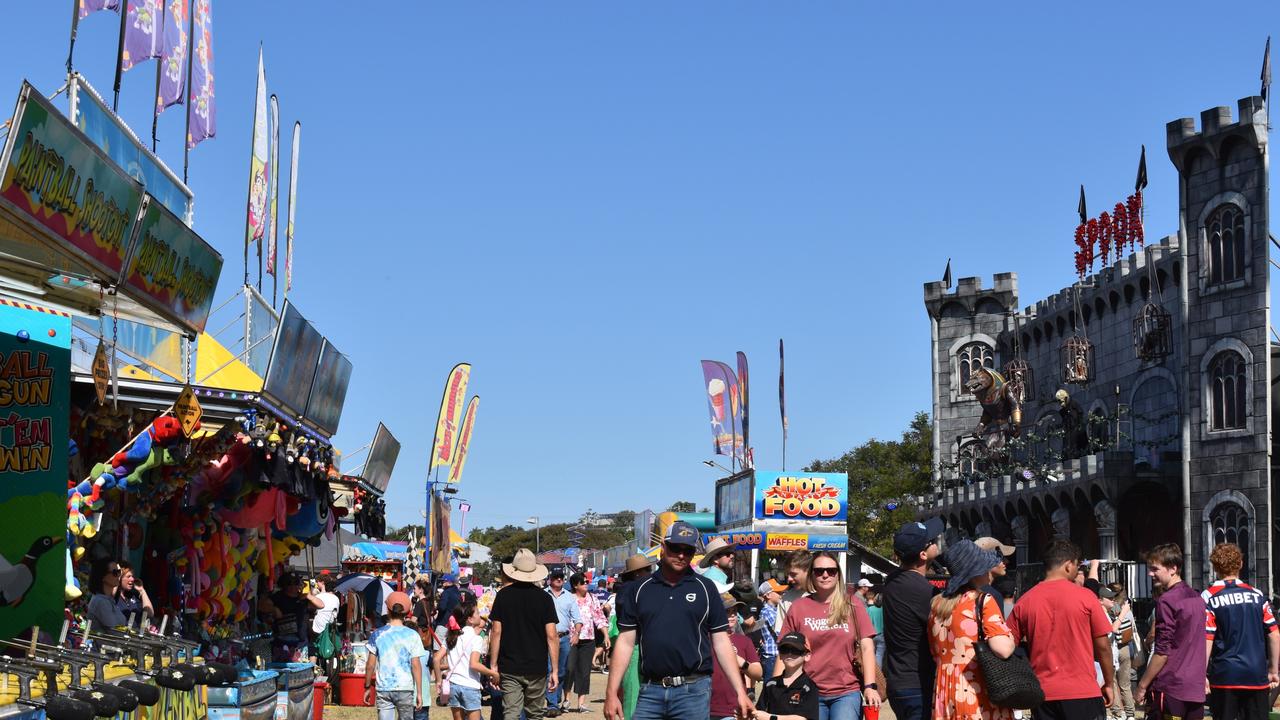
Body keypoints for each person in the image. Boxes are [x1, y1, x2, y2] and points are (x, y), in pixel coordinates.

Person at [605, 520, 753, 720]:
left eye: (688, 550)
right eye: (675, 548)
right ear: (663, 548)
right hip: (650, 690)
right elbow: (625, 642)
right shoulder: (639, 589)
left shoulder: (706, 589)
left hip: (693, 691)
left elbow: (721, 641)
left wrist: (740, 691)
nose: (681, 555)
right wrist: (611, 692)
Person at [1005, 539, 1114, 720]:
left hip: (1043, 694)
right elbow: (1103, 646)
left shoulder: (1025, 601)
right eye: (1077, 566)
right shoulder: (1086, 597)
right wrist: (1109, 683)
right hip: (1082, 691)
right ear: (1068, 565)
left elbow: (1007, 646)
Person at [779, 551, 880, 720]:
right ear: (811, 574)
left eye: (831, 571)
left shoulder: (853, 604)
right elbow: (784, 652)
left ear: (838, 574)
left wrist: (870, 686)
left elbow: (867, 647)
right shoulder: (798, 607)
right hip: (807, 690)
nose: (825, 575)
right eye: (819, 571)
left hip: (847, 691)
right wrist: (779, 687)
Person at [929, 540, 1016, 720]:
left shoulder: (936, 605)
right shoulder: (982, 600)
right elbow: (1003, 649)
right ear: (975, 573)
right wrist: (1010, 637)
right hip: (974, 689)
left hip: (944, 690)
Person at [1203, 542, 1280, 720]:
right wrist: (1273, 670)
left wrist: (1201, 674)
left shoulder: (1208, 597)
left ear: (1214, 567)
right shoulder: (1258, 595)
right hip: (1255, 674)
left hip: (1225, 675)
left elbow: (1207, 638)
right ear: (1241, 564)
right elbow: (1274, 634)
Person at [1134, 543, 1205, 720]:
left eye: (1155, 569)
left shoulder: (1167, 600)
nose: (1150, 574)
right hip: (1194, 687)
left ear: (1173, 568)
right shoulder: (1197, 597)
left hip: (1172, 685)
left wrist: (1142, 685)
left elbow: (1162, 651)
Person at [882, 518, 943, 720]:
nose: (938, 542)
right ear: (923, 554)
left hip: (898, 681)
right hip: (918, 683)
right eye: (933, 540)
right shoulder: (924, 591)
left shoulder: (892, 581)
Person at [489, 549, 560, 720]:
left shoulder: (503, 596)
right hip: (537, 666)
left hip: (510, 666)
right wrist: (555, 670)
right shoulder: (545, 598)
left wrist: (493, 665)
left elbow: (496, 631)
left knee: (511, 713)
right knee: (534, 714)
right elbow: (552, 636)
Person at [365, 591, 428, 720]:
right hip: (405, 688)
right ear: (407, 612)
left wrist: (367, 686)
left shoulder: (377, 634)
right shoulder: (413, 635)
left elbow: (370, 665)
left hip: (383, 688)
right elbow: (416, 665)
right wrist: (419, 693)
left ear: (388, 610)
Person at [608, 554, 653, 720]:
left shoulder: (628, 589)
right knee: (633, 695)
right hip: (632, 645)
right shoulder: (630, 590)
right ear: (637, 573)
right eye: (647, 569)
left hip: (637, 644)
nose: (650, 572)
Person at [438, 603, 501, 720]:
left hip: (453, 685)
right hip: (470, 685)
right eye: (477, 613)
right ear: (470, 619)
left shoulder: (451, 637)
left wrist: (438, 680)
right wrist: (493, 673)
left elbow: (436, 658)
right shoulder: (476, 639)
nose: (479, 615)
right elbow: (474, 664)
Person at [712, 595, 762, 720]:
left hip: (732, 709)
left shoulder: (744, 641)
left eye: (734, 611)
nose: (732, 615)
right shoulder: (706, 638)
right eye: (727, 611)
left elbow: (758, 673)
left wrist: (741, 662)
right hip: (705, 705)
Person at [565, 573, 609, 712]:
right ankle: (566, 700)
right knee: (569, 669)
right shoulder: (568, 598)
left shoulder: (592, 598)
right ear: (575, 585)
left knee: (584, 672)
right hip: (571, 639)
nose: (586, 583)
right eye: (583, 582)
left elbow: (599, 618)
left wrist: (606, 636)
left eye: (587, 581)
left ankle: (581, 704)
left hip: (588, 639)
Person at [755, 632, 820, 720]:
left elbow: (803, 718)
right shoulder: (770, 684)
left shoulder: (809, 687)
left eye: (795, 650)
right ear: (780, 655)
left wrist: (771, 718)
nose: (789, 654)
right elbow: (759, 712)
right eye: (784, 649)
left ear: (807, 656)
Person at [545, 569, 583, 715]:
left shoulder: (569, 597)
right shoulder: (543, 594)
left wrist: (577, 634)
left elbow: (577, 618)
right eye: (556, 577)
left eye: (561, 577)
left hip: (564, 638)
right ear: (550, 579)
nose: (559, 579)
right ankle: (552, 704)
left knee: (562, 671)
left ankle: (555, 697)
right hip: (547, 638)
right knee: (549, 669)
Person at [271, 572, 325, 662]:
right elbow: (262, 605)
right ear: (283, 585)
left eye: (295, 582)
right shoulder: (278, 597)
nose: (293, 586)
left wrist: (309, 596)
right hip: (281, 643)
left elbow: (321, 605)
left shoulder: (303, 599)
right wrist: (274, 609)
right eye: (289, 583)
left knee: (299, 671)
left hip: (301, 643)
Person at [1099, 585, 1135, 720]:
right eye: (1109, 598)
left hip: (1117, 651)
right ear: (1100, 600)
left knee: (1120, 683)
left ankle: (1125, 713)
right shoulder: (1102, 614)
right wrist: (1124, 612)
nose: (1112, 600)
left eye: (1113, 597)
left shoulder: (1108, 613)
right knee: (1113, 683)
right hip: (1111, 653)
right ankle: (1119, 713)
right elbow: (1112, 629)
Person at [972, 537, 1015, 612]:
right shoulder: (992, 596)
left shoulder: (968, 590)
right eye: (1000, 556)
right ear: (988, 559)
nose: (1006, 561)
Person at [86, 558, 127, 631]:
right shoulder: (100, 601)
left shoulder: (108, 600)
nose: (118, 575)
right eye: (115, 572)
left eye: (119, 572)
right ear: (102, 576)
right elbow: (115, 631)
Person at [757, 580, 785, 681]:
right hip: (771, 656)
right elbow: (781, 631)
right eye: (778, 593)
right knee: (771, 687)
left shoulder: (775, 610)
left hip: (774, 655)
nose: (781, 595)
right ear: (768, 595)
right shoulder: (767, 611)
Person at [310, 575, 341, 663]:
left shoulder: (319, 597)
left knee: (313, 650)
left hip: (319, 628)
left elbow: (313, 610)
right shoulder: (336, 598)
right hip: (331, 627)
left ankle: (313, 669)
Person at [780, 553, 813, 620]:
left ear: (808, 571)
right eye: (788, 574)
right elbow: (780, 629)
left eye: (793, 574)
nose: (789, 579)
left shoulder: (825, 595)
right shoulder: (786, 599)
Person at [863, 590, 884, 669]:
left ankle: (871, 671)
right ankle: (878, 675)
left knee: (870, 654)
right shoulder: (883, 610)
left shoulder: (869, 609)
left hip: (871, 634)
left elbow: (865, 621)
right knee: (879, 655)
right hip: (881, 634)